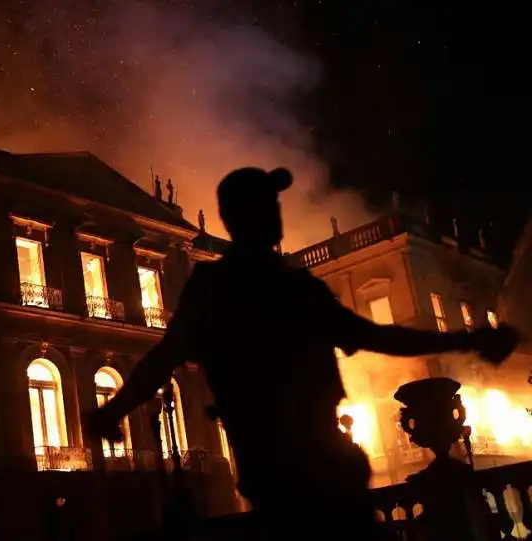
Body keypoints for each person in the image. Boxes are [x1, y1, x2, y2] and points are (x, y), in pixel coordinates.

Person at [83, 166, 520, 539]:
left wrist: (113, 411)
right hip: (312, 474)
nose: (277, 213)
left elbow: (164, 358)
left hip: (282, 474)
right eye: (267, 204)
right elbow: (378, 337)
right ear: (244, 215)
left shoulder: (219, 289)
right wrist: (468, 341)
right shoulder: (276, 289)